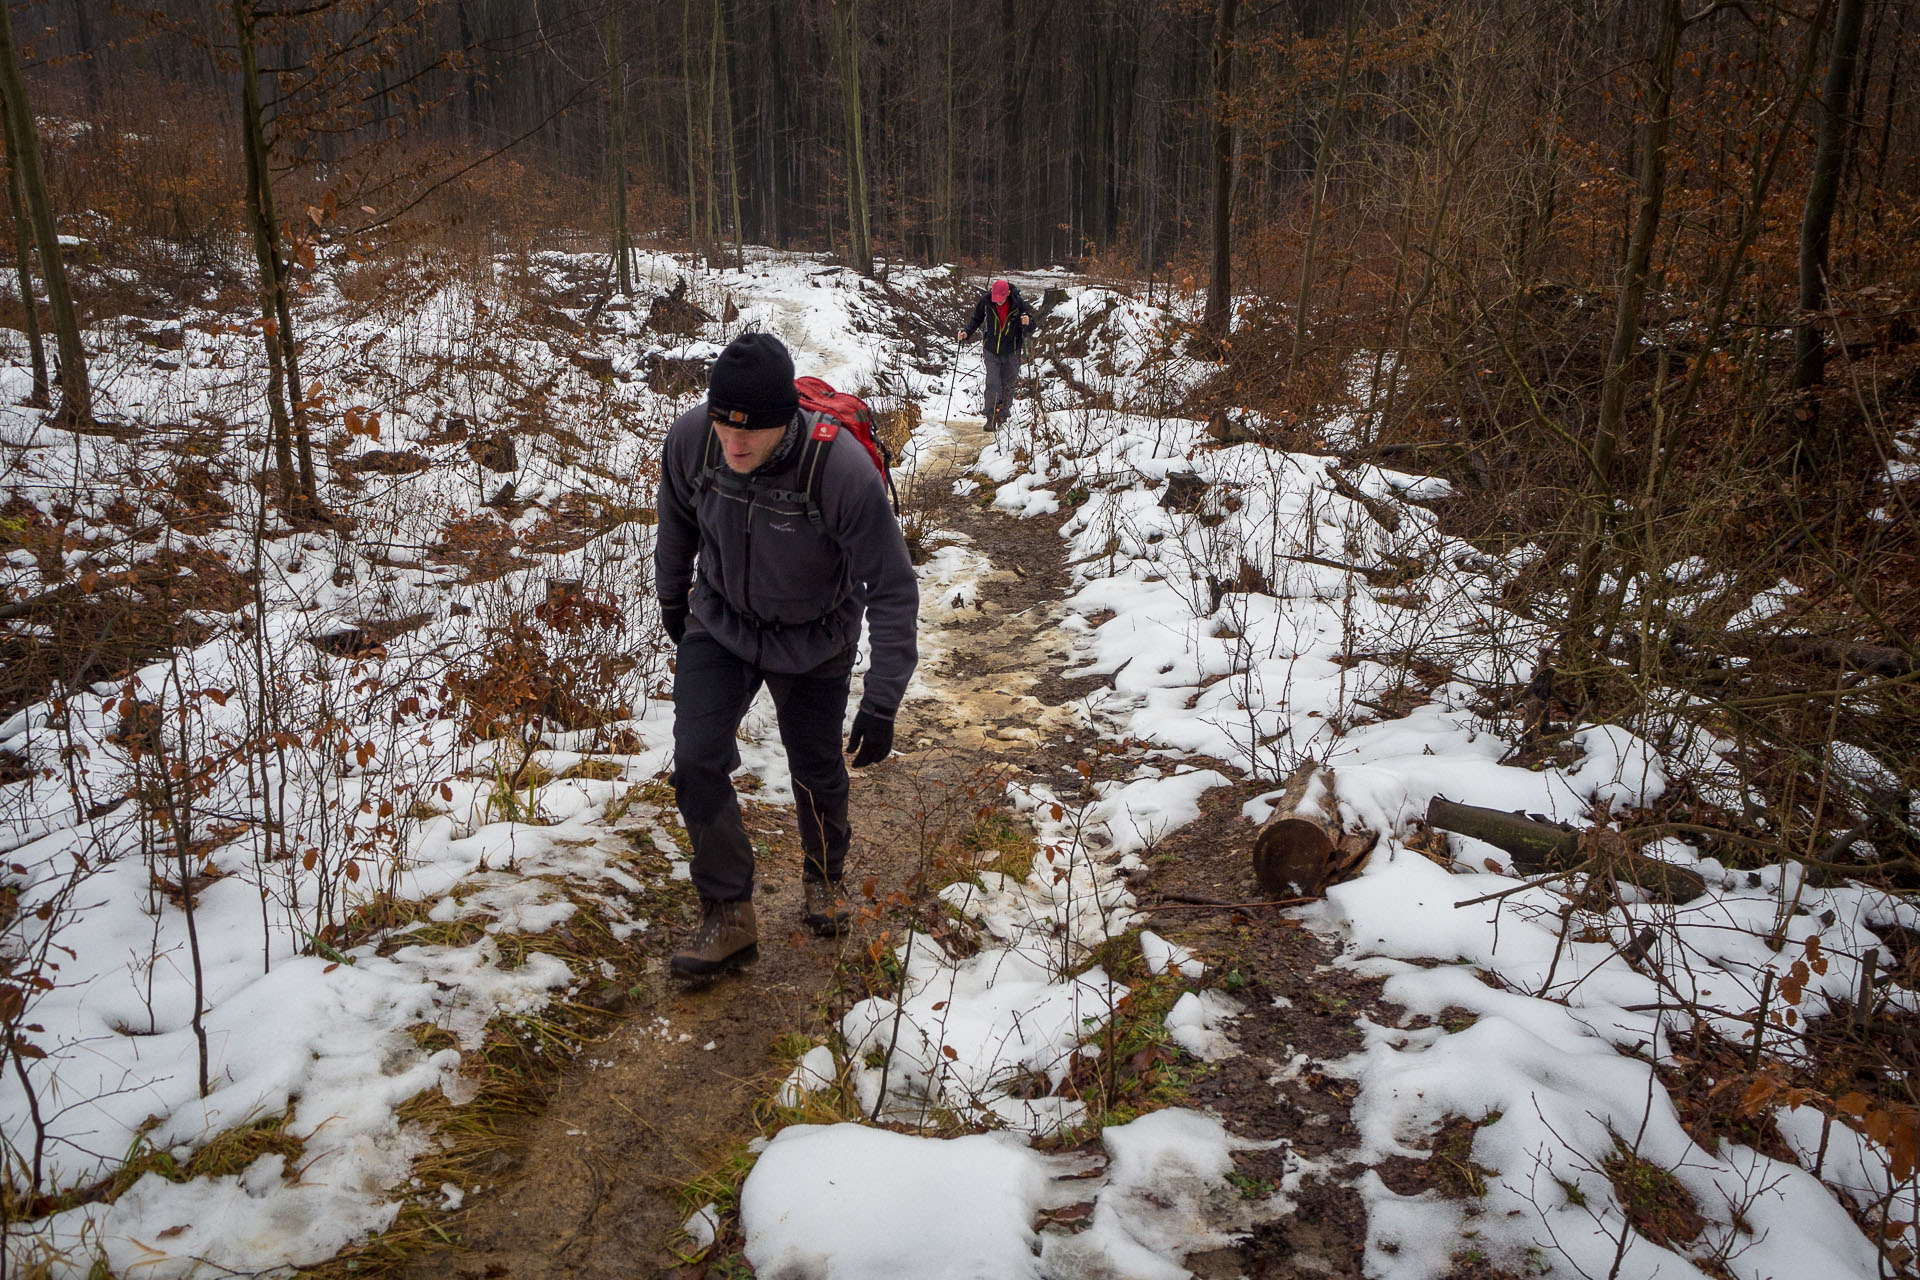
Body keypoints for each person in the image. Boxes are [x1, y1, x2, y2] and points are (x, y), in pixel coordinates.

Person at [654, 332, 919, 980]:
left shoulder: (840, 472)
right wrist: (671, 597)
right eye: (724, 426)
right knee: (695, 757)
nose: (734, 444)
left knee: (815, 767)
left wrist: (882, 700)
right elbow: (676, 517)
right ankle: (728, 913)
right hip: (721, 621)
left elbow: (892, 588)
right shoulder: (694, 441)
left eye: (752, 432)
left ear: (786, 422)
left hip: (815, 636)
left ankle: (824, 876)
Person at [958, 278, 1034, 427]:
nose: (998, 301)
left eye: (1001, 299)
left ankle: (1003, 416)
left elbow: (1031, 327)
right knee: (993, 382)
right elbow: (976, 319)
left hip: (1012, 350)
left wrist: (1028, 323)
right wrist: (966, 333)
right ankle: (990, 417)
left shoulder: (1019, 305)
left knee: (1008, 384)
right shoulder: (986, 301)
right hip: (991, 349)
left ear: (1008, 293)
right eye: (996, 298)